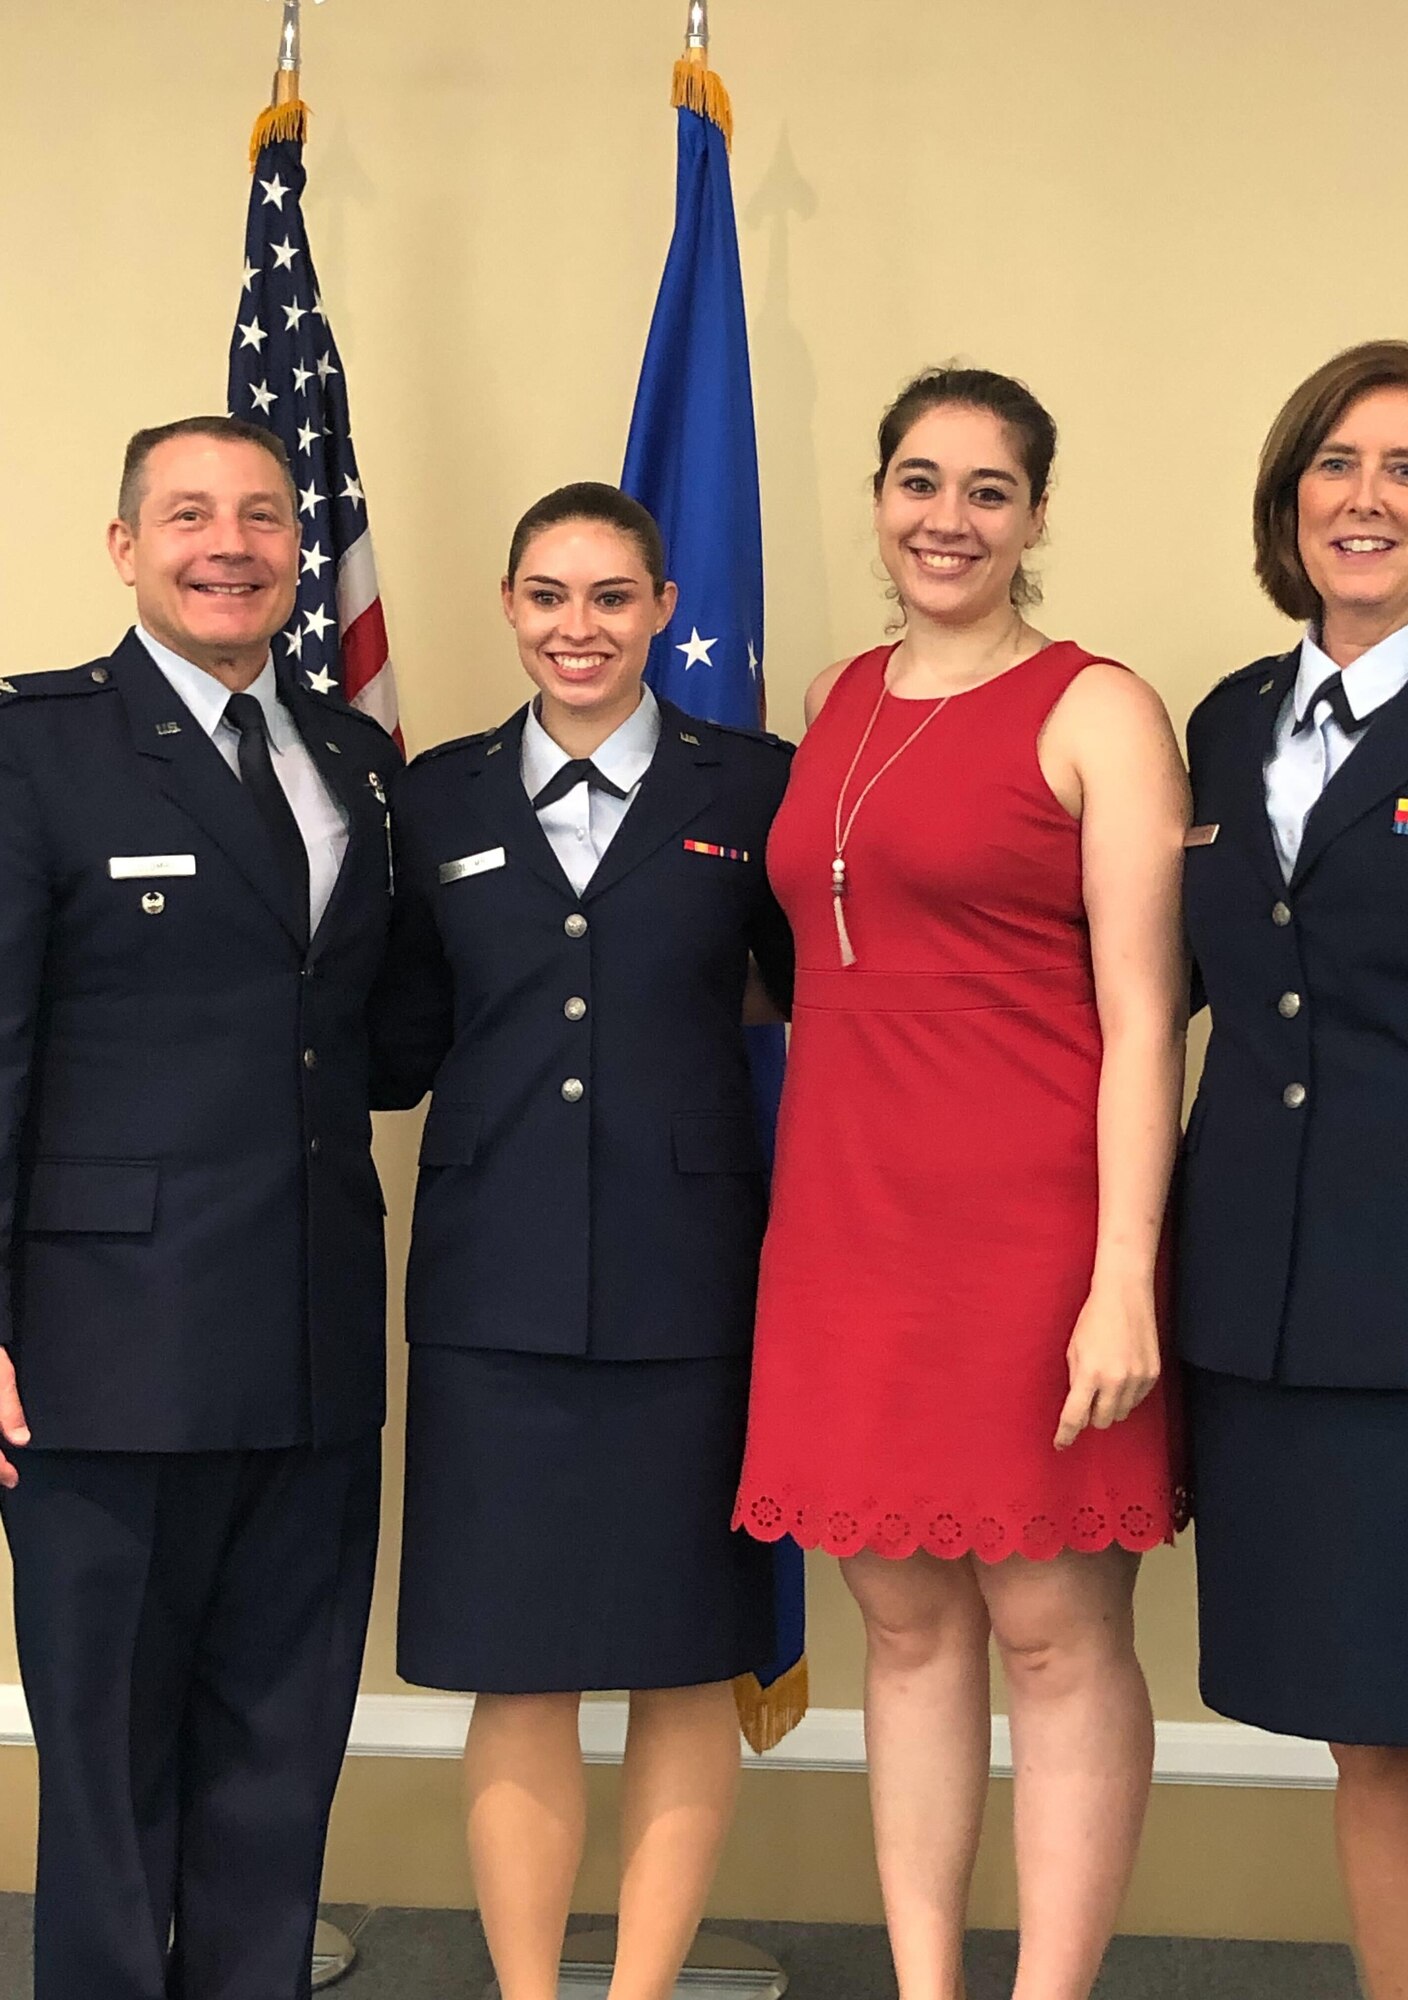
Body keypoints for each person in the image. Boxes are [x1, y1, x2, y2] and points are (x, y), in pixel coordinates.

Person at [733, 368, 1189, 2000]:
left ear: (1037, 517)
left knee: (1059, 1639)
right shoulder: (838, 698)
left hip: (1037, 1231)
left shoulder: (1098, 707)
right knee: (908, 1634)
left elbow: (1145, 1013)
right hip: (850, 1226)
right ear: (879, 500)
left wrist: (1123, 1272)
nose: (949, 518)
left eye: (989, 491)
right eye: (920, 482)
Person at [371, 482, 794, 2000]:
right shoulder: (435, 799)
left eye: (612, 597)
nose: (579, 628)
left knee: (686, 1653)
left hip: (694, 1285)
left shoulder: (752, 789)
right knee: (518, 1658)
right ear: (506, 606)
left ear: (665, 611)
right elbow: (393, 1033)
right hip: (492, 1286)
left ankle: (641, 1989)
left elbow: (835, 1004)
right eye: (549, 595)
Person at [0, 415, 401, 2000]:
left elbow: (382, 1022)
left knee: (278, 1753)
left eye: (261, 514)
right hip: (108, 1350)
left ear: (299, 551)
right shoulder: (33, 747)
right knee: (106, 1768)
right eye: (188, 515)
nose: (228, 543)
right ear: (123, 548)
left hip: (309, 1339)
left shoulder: (352, 759)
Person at [1179, 339, 1408, 2000]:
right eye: (1335, 463)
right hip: (1274, 1311)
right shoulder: (1230, 723)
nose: (1363, 499)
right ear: (1289, 493)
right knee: (1357, 1737)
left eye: (1407, 469)